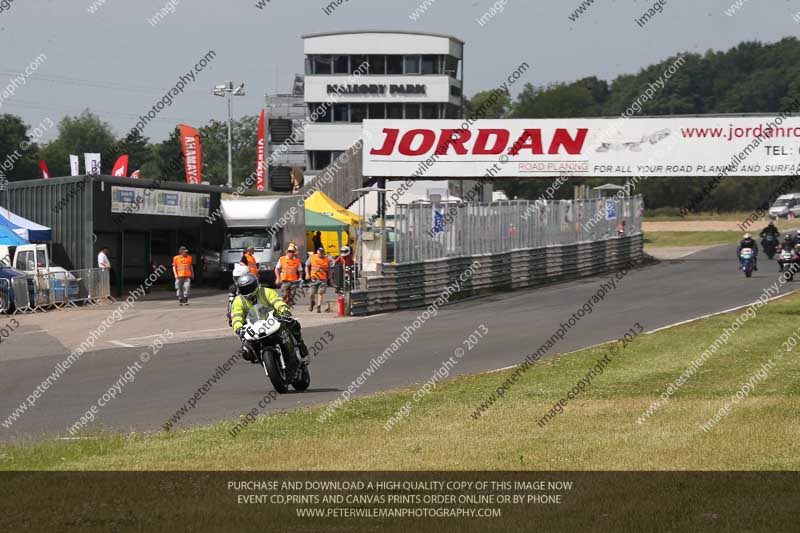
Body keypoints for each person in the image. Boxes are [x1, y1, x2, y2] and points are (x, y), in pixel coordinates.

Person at [230, 272, 309, 363]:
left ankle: (301, 346)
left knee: (294, 324)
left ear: (256, 284)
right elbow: (236, 315)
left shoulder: (266, 292)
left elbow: (277, 302)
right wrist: (238, 328)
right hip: (254, 327)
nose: (247, 290)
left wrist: (284, 311)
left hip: (273, 320)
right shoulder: (238, 301)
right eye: (244, 289)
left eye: (249, 287)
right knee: (245, 352)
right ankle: (258, 357)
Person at [306, 247, 333, 313]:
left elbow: (330, 270)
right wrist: (307, 274)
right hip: (313, 279)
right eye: (319, 252)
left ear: (323, 253)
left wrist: (330, 278)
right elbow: (307, 265)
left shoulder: (327, 259)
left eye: (321, 253)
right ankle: (312, 302)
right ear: (317, 252)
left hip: (323, 279)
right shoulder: (312, 257)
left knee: (320, 293)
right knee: (311, 293)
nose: (320, 254)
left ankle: (318, 307)